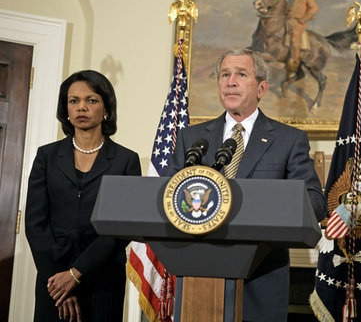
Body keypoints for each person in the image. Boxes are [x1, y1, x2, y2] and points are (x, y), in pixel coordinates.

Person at [166, 48, 326, 321]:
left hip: (261, 277)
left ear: (261, 87)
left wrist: (263, 204)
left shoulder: (289, 140)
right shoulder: (191, 138)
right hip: (199, 275)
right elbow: (166, 196)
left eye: (241, 74)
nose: (230, 81)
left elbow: (314, 202)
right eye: (225, 75)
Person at [25, 70, 141, 322]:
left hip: (103, 278)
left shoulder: (126, 160)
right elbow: (35, 224)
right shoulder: (47, 156)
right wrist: (59, 283)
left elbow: (121, 227)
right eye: (74, 101)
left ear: (106, 108)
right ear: (66, 109)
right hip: (53, 278)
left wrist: (76, 274)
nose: (81, 107)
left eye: (91, 100)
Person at [287, 0, 319, 73]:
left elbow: (314, 9)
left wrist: (304, 19)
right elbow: (287, 9)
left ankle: (294, 63)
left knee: (294, 39)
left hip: (299, 23)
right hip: (288, 21)